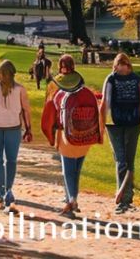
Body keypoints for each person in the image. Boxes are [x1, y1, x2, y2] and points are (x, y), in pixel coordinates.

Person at [41, 55, 101, 217]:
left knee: (68, 170)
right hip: (86, 136)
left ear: (61, 68)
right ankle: (70, 197)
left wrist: (50, 135)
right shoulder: (86, 92)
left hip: (66, 135)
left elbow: (49, 116)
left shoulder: (59, 94)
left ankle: (72, 199)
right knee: (76, 170)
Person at [99, 53, 140, 214]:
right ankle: (125, 197)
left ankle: (124, 196)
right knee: (126, 161)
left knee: (123, 160)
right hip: (127, 123)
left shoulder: (114, 79)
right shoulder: (134, 79)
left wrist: (100, 125)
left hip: (119, 123)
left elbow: (104, 103)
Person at [0, 60, 32, 214]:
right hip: (9, 129)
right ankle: (6, 192)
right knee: (10, 161)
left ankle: (3, 193)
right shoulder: (17, 89)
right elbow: (26, 110)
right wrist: (29, 128)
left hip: (1, 128)